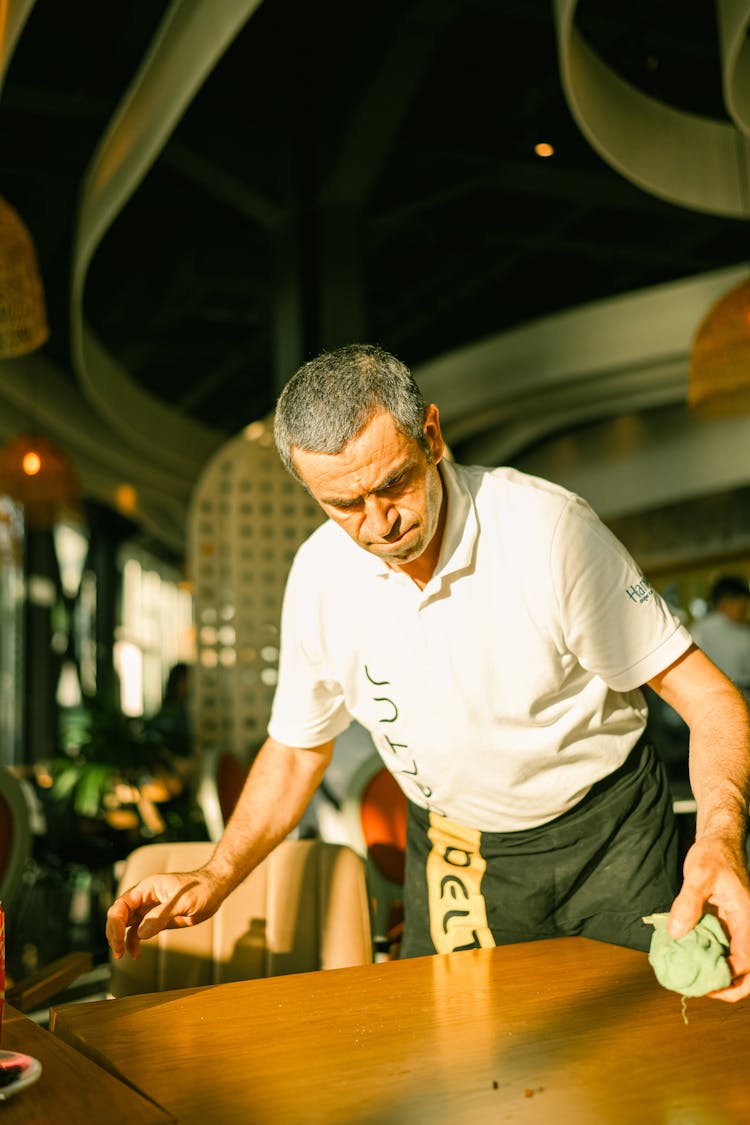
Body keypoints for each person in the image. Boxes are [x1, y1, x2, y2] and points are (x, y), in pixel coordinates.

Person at [106, 344, 750, 1002]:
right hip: (458, 847)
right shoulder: (320, 576)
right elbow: (299, 750)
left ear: (432, 436)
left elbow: (710, 699)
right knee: (459, 1069)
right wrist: (216, 873)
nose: (379, 523)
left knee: (643, 1047)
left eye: (392, 484)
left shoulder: (548, 532)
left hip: (611, 830)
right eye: (343, 503)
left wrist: (720, 841)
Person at [691, 575, 750, 696]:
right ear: (727, 602)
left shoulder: (694, 630)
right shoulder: (743, 635)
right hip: (741, 700)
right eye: (743, 605)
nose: (745, 611)